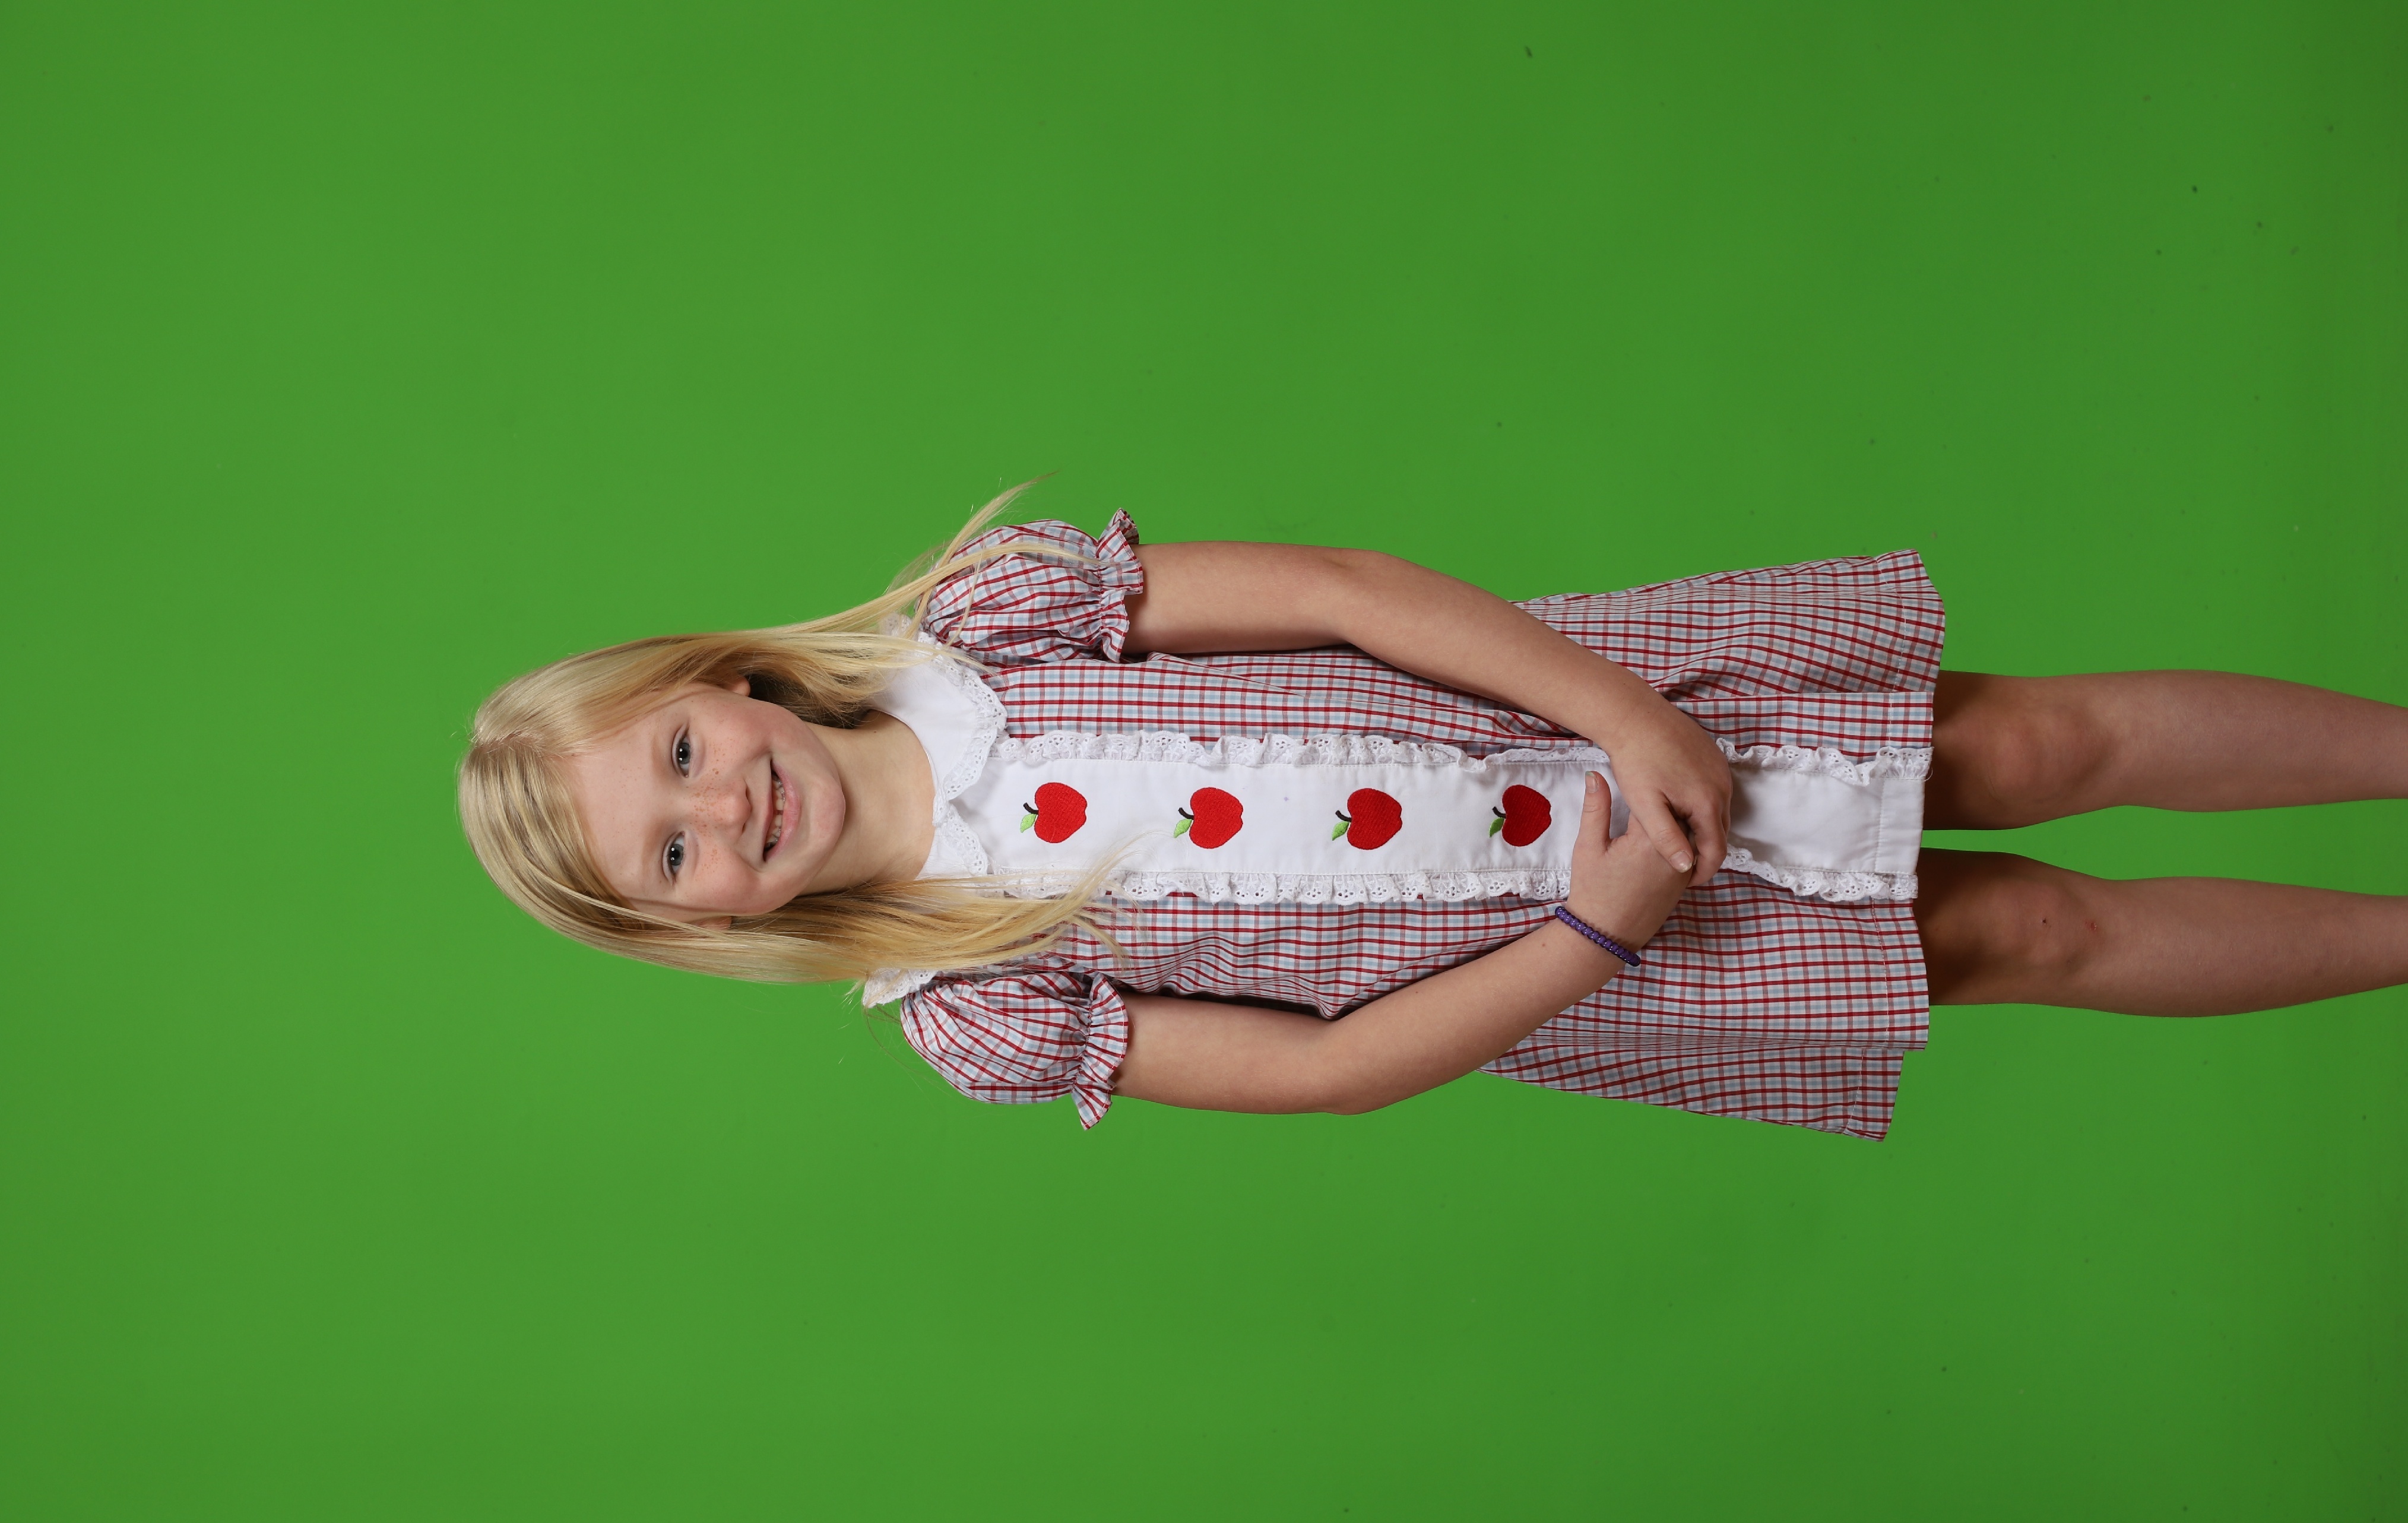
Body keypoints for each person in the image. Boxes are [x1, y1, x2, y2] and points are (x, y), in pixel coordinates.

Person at [458, 490, 2408, 1139]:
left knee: (2028, 748)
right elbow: (1327, 1073)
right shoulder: (982, 1004)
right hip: (1602, 941)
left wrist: (1619, 710)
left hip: (1597, 711)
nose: (726, 808)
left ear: (720, 681)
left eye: (681, 754)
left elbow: (1347, 593)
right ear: (700, 925)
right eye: (673, 854)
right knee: (2026, 932)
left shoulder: (999, 622)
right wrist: (1602, 929)